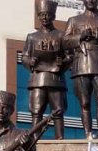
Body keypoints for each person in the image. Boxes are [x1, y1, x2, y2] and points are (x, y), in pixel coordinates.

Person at [63, 0, 98, 138]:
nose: (91, 1)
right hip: (81, 63)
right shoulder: (74, 21)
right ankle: (87, 133)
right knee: (85, 102)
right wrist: (80, 36)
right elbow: (65, 42)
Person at [23, 0, 69, 140]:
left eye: (47, 15)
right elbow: (24, 57)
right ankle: (35, 139)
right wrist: (30, 61)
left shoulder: (61, 36)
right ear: (38, 16)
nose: (44, 18)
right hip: (38, 78)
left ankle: (59, 138)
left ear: (53, 16)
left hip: (56, 78)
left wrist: (63, 62)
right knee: (36, 111)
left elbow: (69, 56)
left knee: (58, 111)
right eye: (42, 15)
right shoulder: (32, 37)